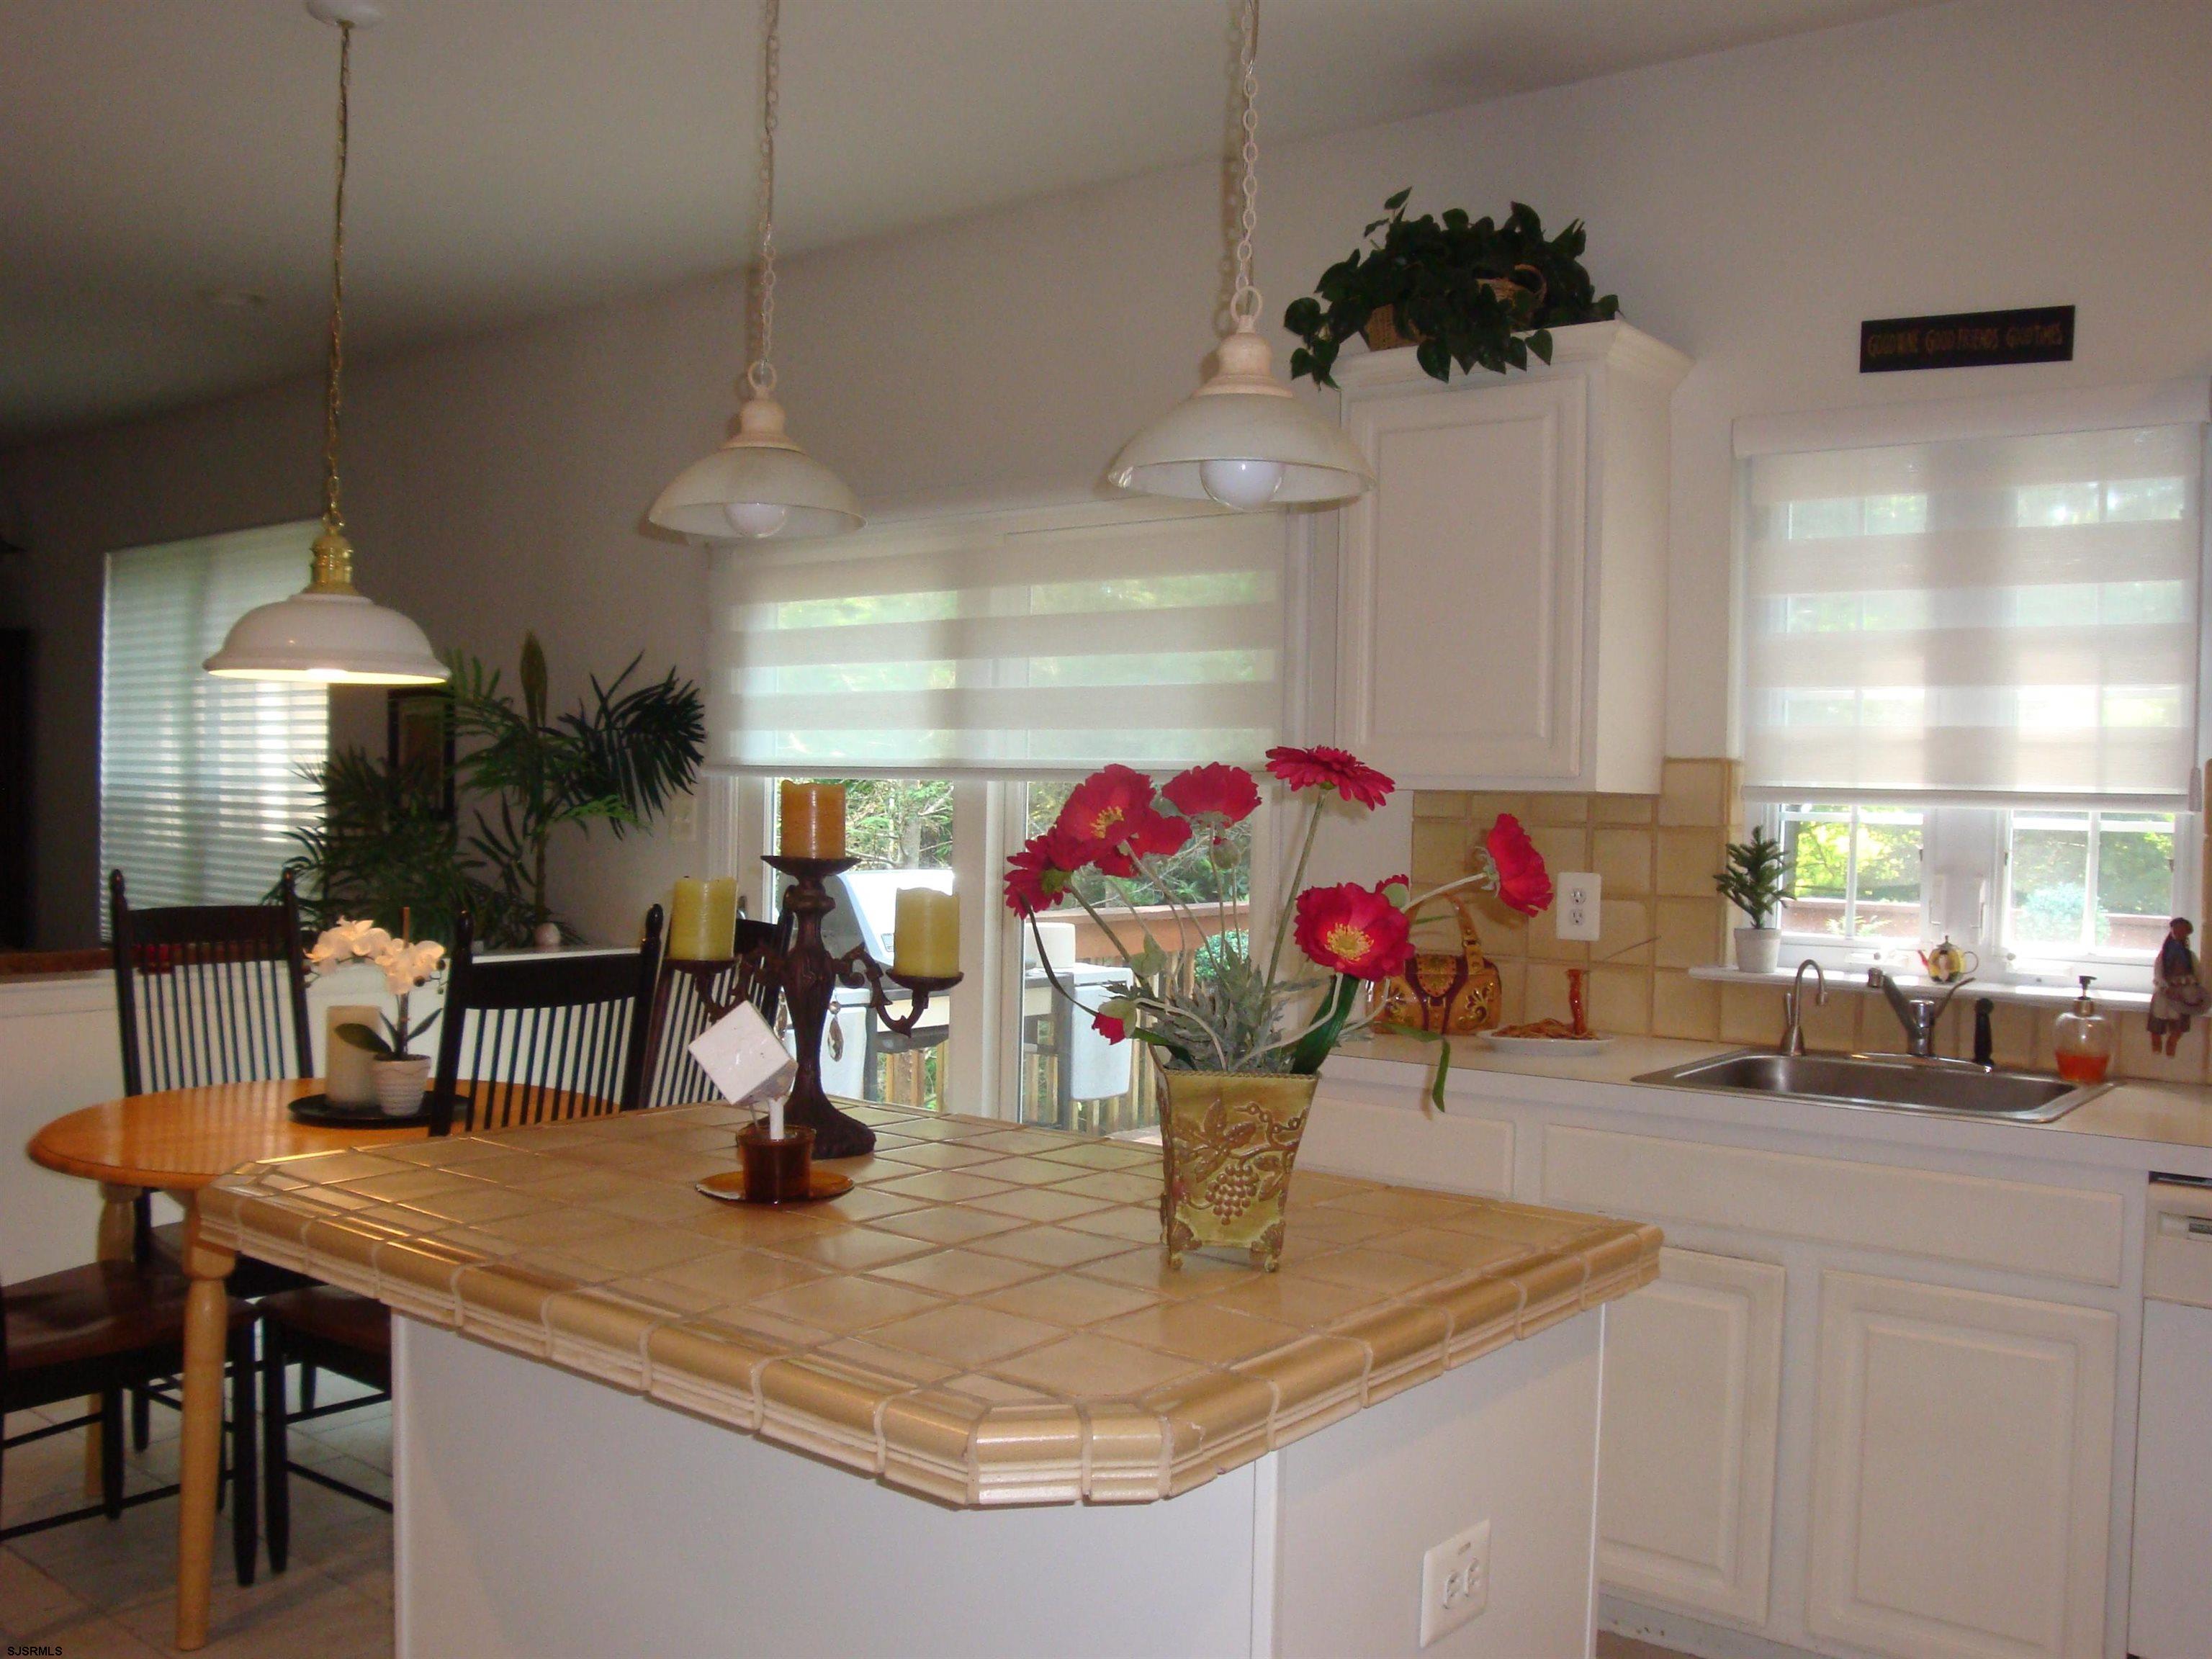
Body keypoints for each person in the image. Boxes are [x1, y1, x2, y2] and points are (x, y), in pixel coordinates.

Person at [2148, 917, 2211, 1056]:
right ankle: (2156, 1042)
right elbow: (2159, 973)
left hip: (2182, 991)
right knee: (2159, 1010)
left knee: (2180, 1016)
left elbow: (2199, 974)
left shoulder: (2190, 956)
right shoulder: (2164, 956)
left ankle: (2173, 1040)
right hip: (2166, 990)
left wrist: (2194, 987)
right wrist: (2165, 986)